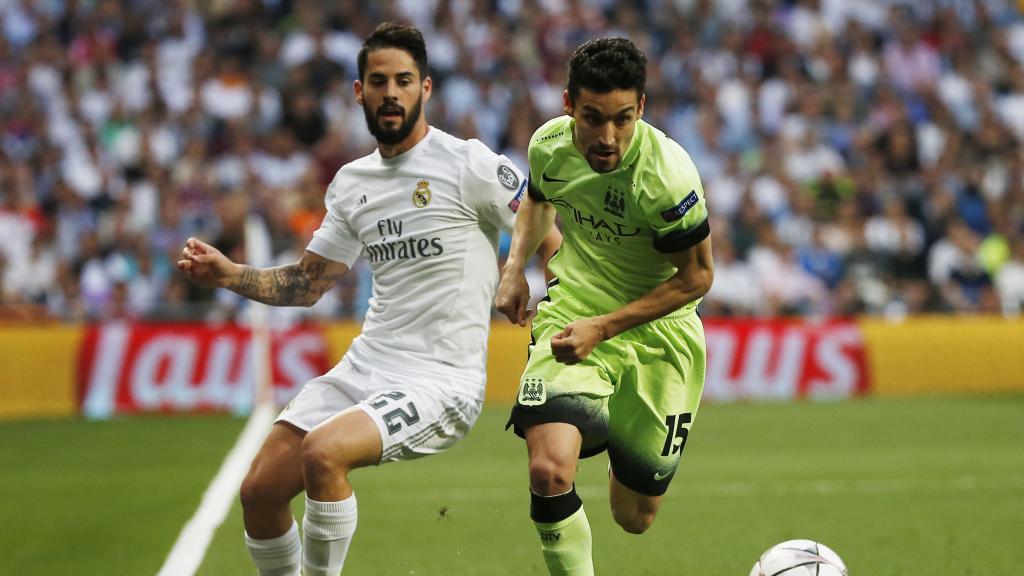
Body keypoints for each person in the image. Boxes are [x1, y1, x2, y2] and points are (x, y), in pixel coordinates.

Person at [178, 23, 556, 576]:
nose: (391, 93)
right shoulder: (353, 182)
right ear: (359, 91)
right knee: (259, 491)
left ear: (425, 89)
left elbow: (546, 226)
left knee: (323, 454)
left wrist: (520, 272)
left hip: (441, 378)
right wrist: (231, 274)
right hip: (367, 365)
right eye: (378, 82)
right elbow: (307, 284)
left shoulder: (468, 163)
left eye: (404, 81)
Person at [496, 37, 715, 576]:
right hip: (573, 314)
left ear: (640, 107)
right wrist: (514, 267)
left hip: (660, 333)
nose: (607, 137)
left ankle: (615, 426)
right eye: (593, 118)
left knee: (635, 516)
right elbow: (539, 200)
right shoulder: (549, 145)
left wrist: (607, 327)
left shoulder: (668, 178)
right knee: (549, 471)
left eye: (622, 118)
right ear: (569, 104)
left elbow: (698, 278)